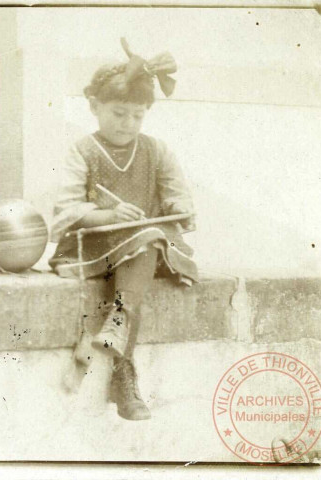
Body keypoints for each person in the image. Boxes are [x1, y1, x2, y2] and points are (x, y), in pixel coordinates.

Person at [50, 39, 198, 421]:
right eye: (118, 113)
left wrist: (178, 208)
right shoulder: (82, 151)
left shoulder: (157, 151)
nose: (127, 124)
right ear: (94, 106)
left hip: (142, 250)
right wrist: (108, 215)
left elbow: (178, 199)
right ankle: (122, 365)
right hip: (94, 246)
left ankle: (116, 326)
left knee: (149, 239)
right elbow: (65, 212)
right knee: (145, 241)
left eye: (137, 116)